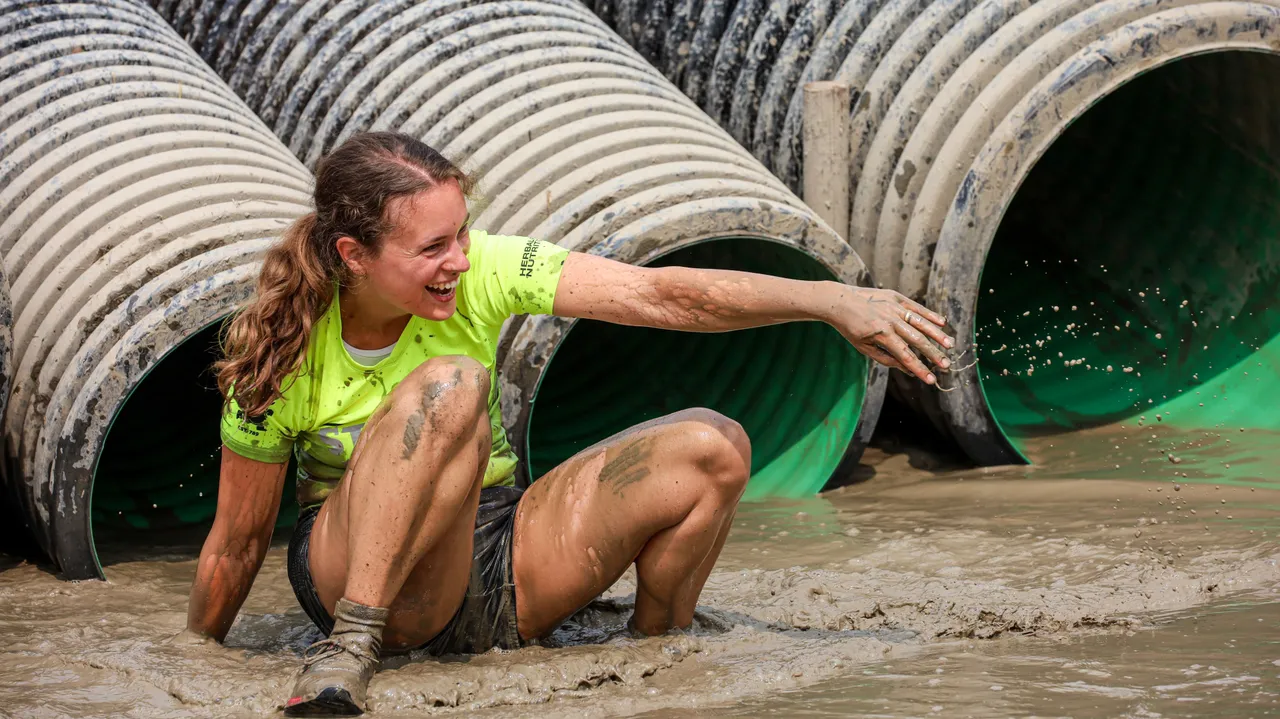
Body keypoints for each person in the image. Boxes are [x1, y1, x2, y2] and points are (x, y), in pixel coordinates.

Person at [182, 131, 953, 717]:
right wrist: (196, 658)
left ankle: (656, 652)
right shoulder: (281, 349)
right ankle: (352, 646)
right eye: (433, 246)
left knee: (713, 445)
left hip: (491, 551)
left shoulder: (484, 269)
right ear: (354, 254)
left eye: (462, 235)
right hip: (359, 566)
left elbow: (657, 296)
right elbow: (240, 538)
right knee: (453, 383)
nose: (459, 258)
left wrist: (825, 301)